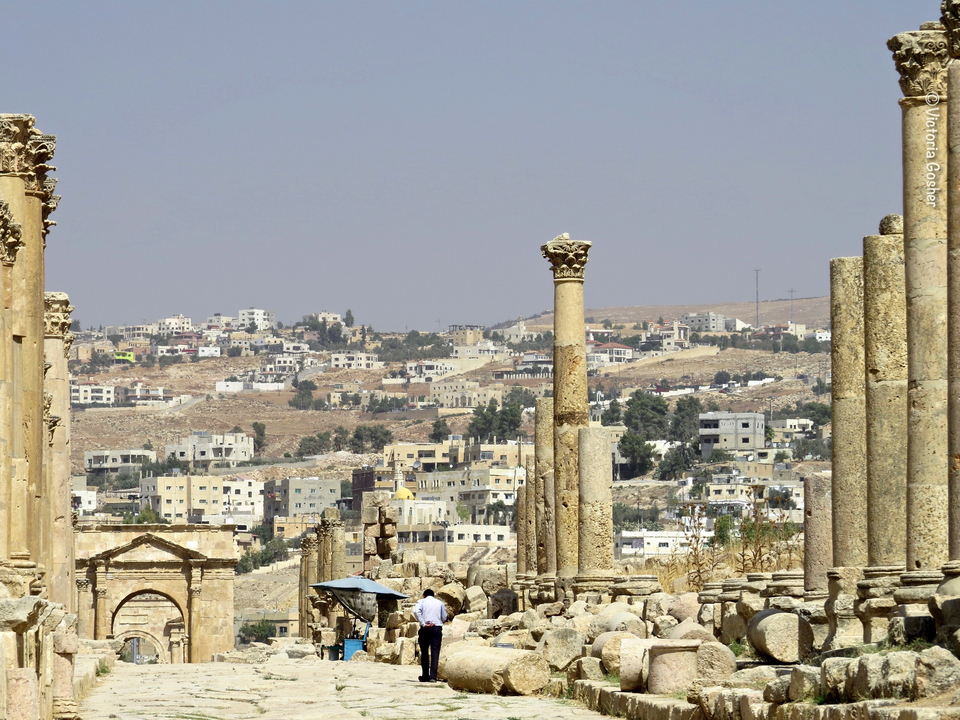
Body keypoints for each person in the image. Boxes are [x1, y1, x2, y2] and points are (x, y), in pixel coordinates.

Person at [413, 588, 447, 682]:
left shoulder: (421, 601)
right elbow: (444, 616)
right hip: (436, 628)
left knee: (424, 652)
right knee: (435, 652)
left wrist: (423, 623)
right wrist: (438, 621)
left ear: (424, 595)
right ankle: (433, 676)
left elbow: (416, 612)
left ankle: (425, 675)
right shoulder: (440, 603)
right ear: (433, 596)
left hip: (425, 628)